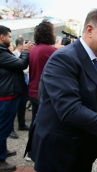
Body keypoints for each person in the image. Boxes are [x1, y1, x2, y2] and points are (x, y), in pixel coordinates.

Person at [25, 9, 97, 172]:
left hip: (83, 150)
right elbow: (70, 110)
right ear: (89, 30)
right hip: (59, 152)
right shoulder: (64, 58)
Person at [25, 19, 60, 161]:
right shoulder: (51, 51)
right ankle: (40, 153)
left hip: (32, 91)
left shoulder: (33, 49)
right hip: (45, 94)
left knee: (35, 122)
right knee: (45, 125)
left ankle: (30, 152)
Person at [0, 25, 32, 172]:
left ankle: (3, 151)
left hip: (10, 95)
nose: (10, 39)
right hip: (6, 96)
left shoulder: (4, 51)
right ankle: (0, 160)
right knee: (2, 128)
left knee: (5, 127)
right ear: (2, 37)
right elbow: (20, 64)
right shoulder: (1, 52)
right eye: (9, 36)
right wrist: (25, 51)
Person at [9, 37, 30, 140]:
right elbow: (21, 68)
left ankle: (21, 124)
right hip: (15, 85)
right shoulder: (12, 55)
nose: (27, 45)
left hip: (23, 84)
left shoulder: (25, 54)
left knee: (22, 105)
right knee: (13, 108)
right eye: (25, 43)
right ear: (19, 45)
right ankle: (10, 129)